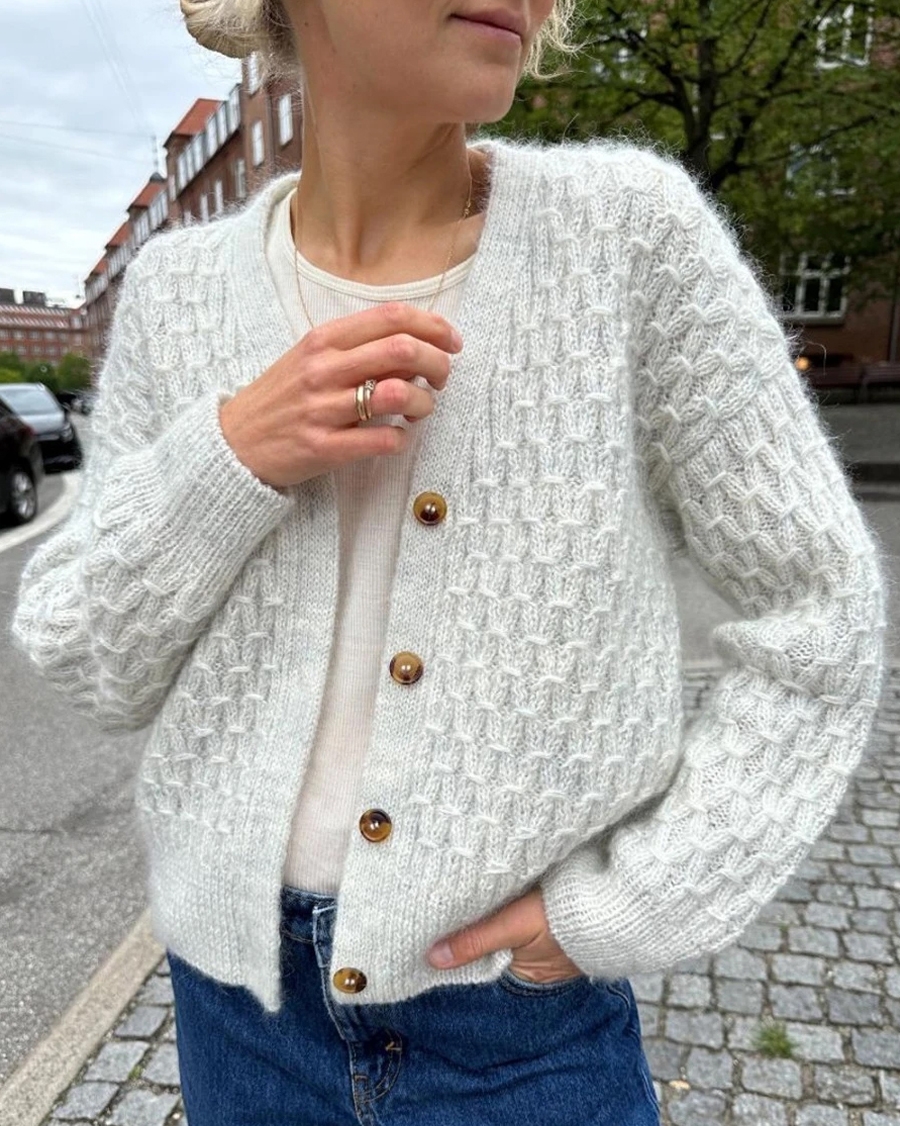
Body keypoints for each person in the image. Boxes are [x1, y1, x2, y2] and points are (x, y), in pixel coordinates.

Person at [11, 0, 886, 1122]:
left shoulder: (627, 241)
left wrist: (636, 901)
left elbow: (819, 608)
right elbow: (89, 657)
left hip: (519, 1035)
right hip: (238, 1012)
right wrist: (229, 455)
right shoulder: (176, 293)